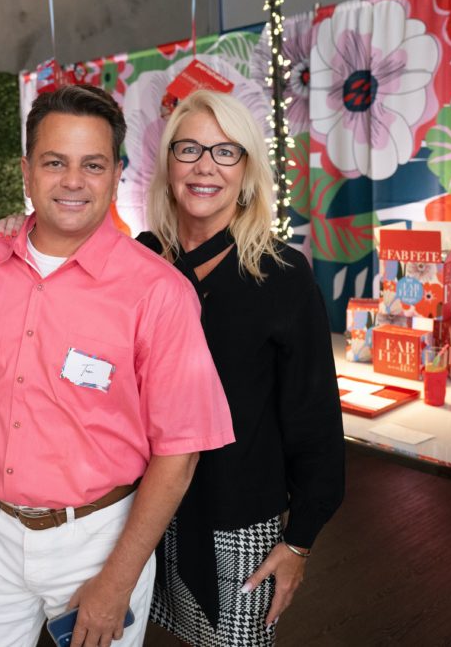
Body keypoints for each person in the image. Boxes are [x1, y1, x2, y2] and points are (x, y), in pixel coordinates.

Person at [0, 84, 235, 647]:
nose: (73, 181)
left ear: (115, 173)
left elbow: (180, 455)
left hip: (96, 538)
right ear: (27, 170)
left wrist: (118, 579)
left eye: (92, 164)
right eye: (54, 162)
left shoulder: (158, 291)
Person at [139, 90, 345, 645]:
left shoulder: (281, 275)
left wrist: (298, 541)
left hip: (235, 522)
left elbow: (315, 419)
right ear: (168, 165)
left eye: (225, 151)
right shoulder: (143, 260)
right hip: (147, 510)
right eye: (189, 149)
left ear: (247, 171)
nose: (206, 165)